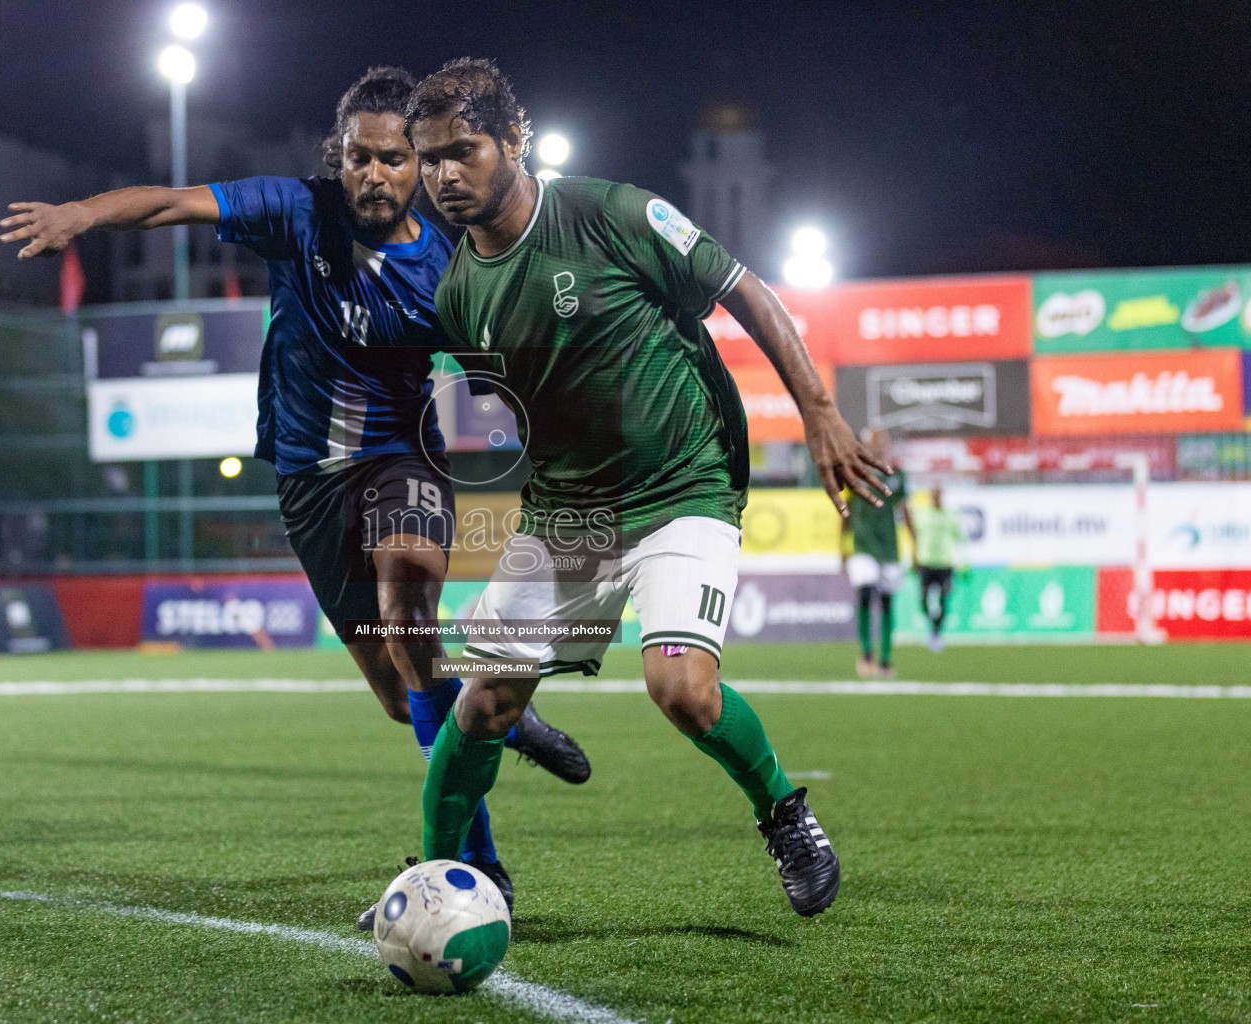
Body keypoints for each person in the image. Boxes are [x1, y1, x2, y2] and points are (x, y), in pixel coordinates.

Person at [0, 67, 591, 917]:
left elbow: (511, 365)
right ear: (338, 157)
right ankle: (488, 713)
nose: (375, 174)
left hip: (402, 460)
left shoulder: (450, 265)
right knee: (399, 696)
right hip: (308, 479)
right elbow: (174, 203)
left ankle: (476, 864)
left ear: (417, 166)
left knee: (410, 615)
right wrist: (82, 215)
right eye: (360, 157)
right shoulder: (295, 210)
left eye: (394, 159)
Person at [400, 58, 891, 919]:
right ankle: (437, 881)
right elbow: (507, 419)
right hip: (566, 515)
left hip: (680, 489)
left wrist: (819, 413)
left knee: (681, 688)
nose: (444, 175)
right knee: (482, 705)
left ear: (514, 141)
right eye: (430, 157)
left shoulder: (607, 213)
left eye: (464, 151)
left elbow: (747, 290)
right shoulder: (457, 289)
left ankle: (784, 813)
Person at [841, 429, 915, 679]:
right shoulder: (853, 471)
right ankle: (865, 653)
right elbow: (846, 509)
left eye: (881, 443)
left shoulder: (896, 476)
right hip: (862, 544)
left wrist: (915, 544)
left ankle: (885, 659)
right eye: (872, 443)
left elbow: (905, 510)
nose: (877, 447)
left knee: (886, 601)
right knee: (865, 591)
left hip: (889, 547)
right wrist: (842, 544)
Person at [913, 485, 965, 652]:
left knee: (944, 598)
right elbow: (914, 537)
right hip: (926, 561)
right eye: (933, 495)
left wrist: (963, 561)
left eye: (938, 495)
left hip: (944, 563)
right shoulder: (921, 514)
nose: (936, 498)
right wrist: (913, 558)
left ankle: (936, 632)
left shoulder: (951, 515)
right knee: (923, 600)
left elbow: (960, 538)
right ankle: (932, 626)